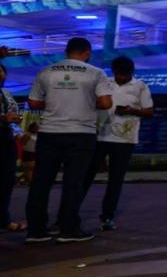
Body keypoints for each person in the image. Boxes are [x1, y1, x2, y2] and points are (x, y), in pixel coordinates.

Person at [24, 38, 113, 243]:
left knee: (41, 182)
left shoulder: (46, 72)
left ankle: (36, 230)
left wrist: (57, 103)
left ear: (66, 51)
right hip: (80, 132)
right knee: (73, 182)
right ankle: (68, 228)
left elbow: (33, 102)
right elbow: (106, 102)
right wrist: (86, 102)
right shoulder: (95, 73)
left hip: (49, 132)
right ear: (87, 52)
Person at [81, 56, 154, 232]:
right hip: (100, 136)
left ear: (131, 73)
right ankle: (69, 213)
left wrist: (132, 110)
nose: (121, 78)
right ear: (113, 72)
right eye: (118, 74)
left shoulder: (140, 86)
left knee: (115, 180)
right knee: (85, 176)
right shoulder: (104, 82)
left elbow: (149, 111)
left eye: (124, 75)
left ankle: (107, 217)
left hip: (125, 140)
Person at [0, 63, 25, 232]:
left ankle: (4, 220)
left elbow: (12, 117)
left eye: (1, 71)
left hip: (5, 140)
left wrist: (18, 130)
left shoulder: (7, 94)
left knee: (6, 183)